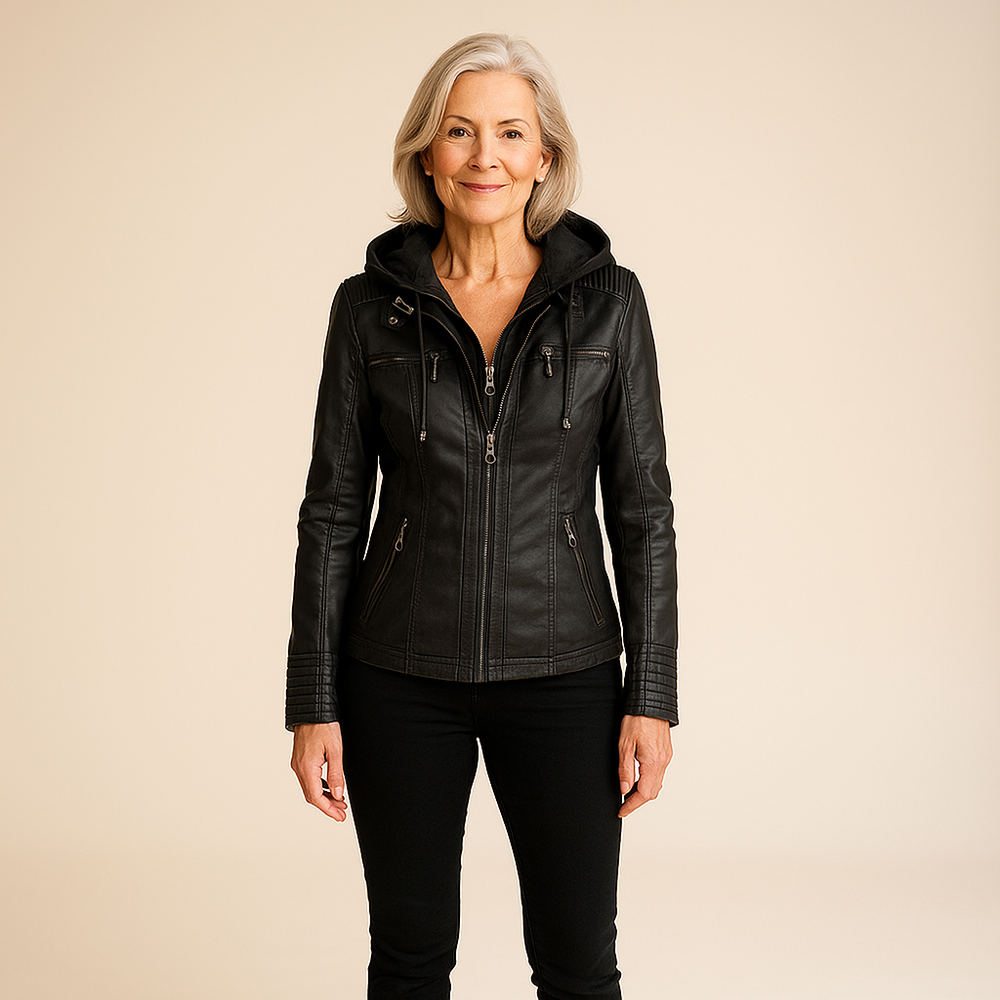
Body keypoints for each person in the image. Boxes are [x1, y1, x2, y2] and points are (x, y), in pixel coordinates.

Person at [286, 32, 678, 1000]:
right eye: (459, 131)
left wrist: (651, 694)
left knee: (577, 965)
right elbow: (332, 511)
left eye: (510, 132)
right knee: (409, 961)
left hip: (566, 673)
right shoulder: (368, 310)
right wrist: (313, 700)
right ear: (426, 152)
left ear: (544, 156)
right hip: (396, 675)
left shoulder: (609, 305)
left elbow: (643, 510)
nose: (484, 156)